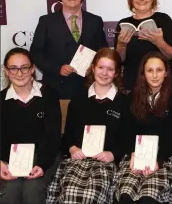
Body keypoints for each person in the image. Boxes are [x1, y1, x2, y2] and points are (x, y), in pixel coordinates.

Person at [47, 48, 129, 204]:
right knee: (70, 191)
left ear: (117, 72)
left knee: (91, 194)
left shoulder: (124, 103)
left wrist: (113, 154)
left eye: (110, 69)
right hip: (78, 161)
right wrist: (72, 148)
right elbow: (67, 134)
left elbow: (127, 137)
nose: (104, 73)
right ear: (93, 68)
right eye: (100, 67)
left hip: (106, 164)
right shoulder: (78, 99)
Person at [116, 52, 172, 204]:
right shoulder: (132, 96)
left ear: (166, 72)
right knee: (126, 195)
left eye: (159, 70)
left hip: (165, 158)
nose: (154, 75)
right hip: (135, 156)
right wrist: (132, 153)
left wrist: (158, 160)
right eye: (150, 70)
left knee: (148, 197)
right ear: (143, 73)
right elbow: (125, 130)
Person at [30, 0, 108, 99]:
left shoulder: (95, 21)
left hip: (89, 89)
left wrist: (94, 66)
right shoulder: (46, 22)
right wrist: (57, 68)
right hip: (55, 90)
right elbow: (35, 53)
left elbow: (103, 51)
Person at [0, 47, 61, 204]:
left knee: (32, 189)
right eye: (13, 68)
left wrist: (41, 164)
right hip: (10, 160)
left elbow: (52, 136)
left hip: (44, 156)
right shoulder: (1, 100)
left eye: (24, 68)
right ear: (6, 71)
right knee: (11, 190)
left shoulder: (49, 95)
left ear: (33, 68)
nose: (19, 74)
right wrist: (1, 162)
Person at [114, 0, 172, 91]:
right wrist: (121, 45)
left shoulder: (163, 20)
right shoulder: (123, 24)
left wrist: (159, 43)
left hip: (161, 86)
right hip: (132, 85)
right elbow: (120, 61)